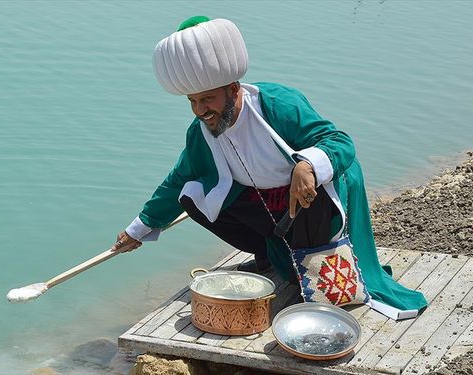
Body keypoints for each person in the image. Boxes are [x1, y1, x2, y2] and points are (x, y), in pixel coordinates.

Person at [110, 16, 427, 318]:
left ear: (233, 89)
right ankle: (268, 252)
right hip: (267, 199)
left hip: (310, 195)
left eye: (207, 99)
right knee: (191, 195)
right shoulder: (201, 133)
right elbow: (177, 178)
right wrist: (138, 229)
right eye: (192, 101)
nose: (200, 110)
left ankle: (306, 259)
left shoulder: (277, 105)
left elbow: (340, 142)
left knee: (314, 272)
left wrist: (308, 165)